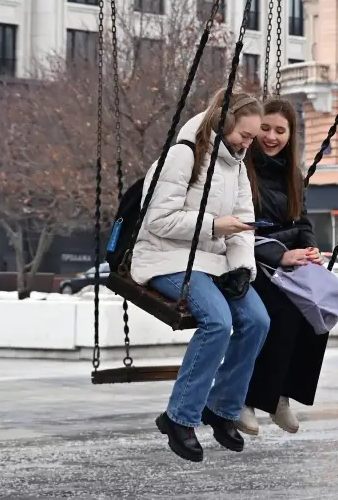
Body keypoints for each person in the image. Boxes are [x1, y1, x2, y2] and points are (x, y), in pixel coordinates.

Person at [129, 89, 271, 462]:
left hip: (213, 260)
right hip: (166, 257)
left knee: (257, 320)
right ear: (224, 124)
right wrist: (212, 226)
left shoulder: (237, 164)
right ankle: (180, 417)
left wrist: (242, 267)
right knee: (218, 322)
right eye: (244, 135)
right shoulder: (184, 155)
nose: (249, 143)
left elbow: (242, 225)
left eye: (253, 137)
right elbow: (157, 220)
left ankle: (222, 408)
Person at [239, 97, 326, 436]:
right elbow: (244, 227)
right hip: (249, 260)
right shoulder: (242, 169)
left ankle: (281, 396)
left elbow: (302, 220)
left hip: (285, 259)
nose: (271, 137)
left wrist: (310, 248)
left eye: (280, 130)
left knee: (317, 309)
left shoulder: (293, 175)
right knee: (283, 309)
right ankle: (248, 397)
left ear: (290, 135)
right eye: (265, 129)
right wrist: (280, 254)